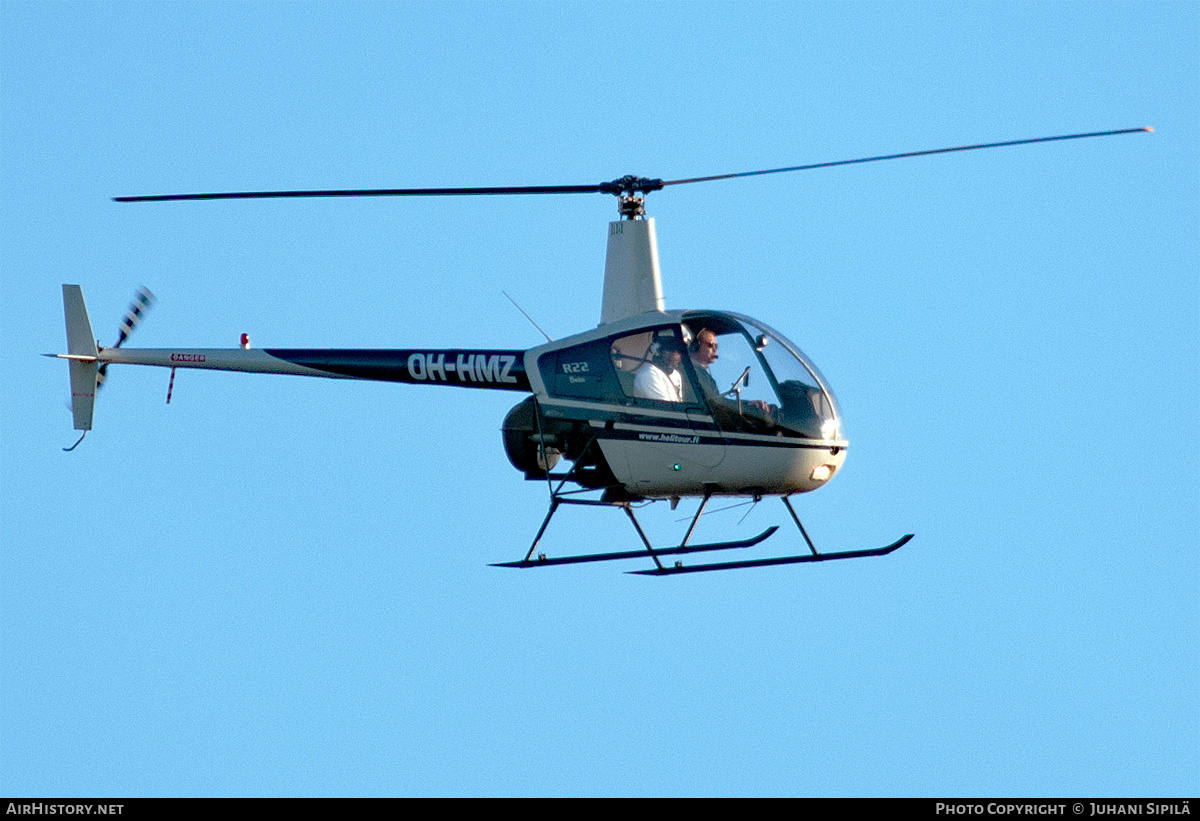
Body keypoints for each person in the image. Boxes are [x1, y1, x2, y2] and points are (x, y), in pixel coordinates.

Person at [634, 337, 685, 402]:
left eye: (680, 351)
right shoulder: (649, 373)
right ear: (659, 352)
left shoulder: (676, 374)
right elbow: (664, 408)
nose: (677, 356)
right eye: (672, 351)